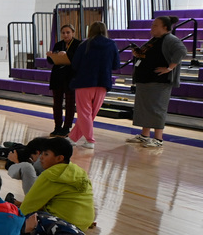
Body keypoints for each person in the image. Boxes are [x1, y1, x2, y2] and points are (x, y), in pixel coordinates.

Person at [127, 15, 188, 148]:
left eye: (155, 25)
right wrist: (138, 53)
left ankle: (158, 139)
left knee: (157, 109)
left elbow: (182, 51)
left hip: (159, 81)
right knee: (145, 108)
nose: (152, 27)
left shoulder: (170, 39)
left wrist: (169, 68)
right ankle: (144, 135)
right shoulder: (154, 40)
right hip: (146, 80)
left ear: (165, 28)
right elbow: (146, 54)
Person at [17, 137, 95, 232]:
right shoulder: (78, 171)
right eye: (42, 153)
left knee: (27, 218)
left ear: (59, 158)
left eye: (46, 154)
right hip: (83, 224)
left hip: (62, 225)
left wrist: (17, 220)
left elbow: (30, 203)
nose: (41, 157)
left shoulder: (51, 174)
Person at [68, 21, 120, 149]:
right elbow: (116, 65)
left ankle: (90, 140)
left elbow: (75, 64)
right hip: (103, 82)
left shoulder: (85, 44)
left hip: (84, 82)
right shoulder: (112, 44)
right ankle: (73, 138)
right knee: (90, 114)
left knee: (84, 113)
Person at [46, 24, 81, 137]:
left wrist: (67, 54)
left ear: (73, 33)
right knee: (57, 104)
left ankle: (67, 127)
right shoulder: (58, 44)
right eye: (63, 33)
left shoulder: (78, 44)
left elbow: (78, 59)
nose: (65, 35)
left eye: (68, 32)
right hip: (57, 77)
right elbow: (51, 61)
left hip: (70, 77)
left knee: (70, 104)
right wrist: (50, 56)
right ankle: (57, 126)